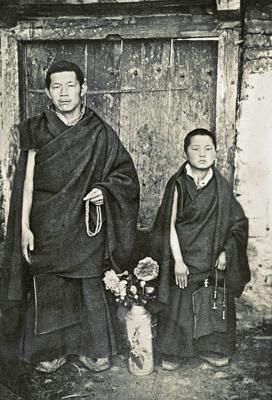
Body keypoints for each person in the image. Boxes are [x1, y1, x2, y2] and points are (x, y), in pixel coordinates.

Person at [0, 60, 140, 373]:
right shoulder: (35, 128)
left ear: (83, 89)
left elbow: (125, 174)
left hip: (84, 225)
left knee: (88, 287)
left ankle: (94, 349)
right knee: (50, 287)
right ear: (48, 91)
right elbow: (26, 182)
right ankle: (51, 351)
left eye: (70, 85)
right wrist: (24, 227)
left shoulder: (98, 130)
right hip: (46, 222)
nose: (64, 93)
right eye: (56, 86)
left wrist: (106, 190)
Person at [152, 128, 250, 370]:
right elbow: (168, 226)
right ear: (185, 152)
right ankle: (174, 351)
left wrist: (228, 250)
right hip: (182, 256)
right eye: (195, 149)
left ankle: (212, 348)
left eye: (208, 149)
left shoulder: (221, 187)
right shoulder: (178, 184)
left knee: (214, 295)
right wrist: (178, 261)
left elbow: (237, 223)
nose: (202, 154)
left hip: (212, 259)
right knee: (179, 297)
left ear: (216, 153)